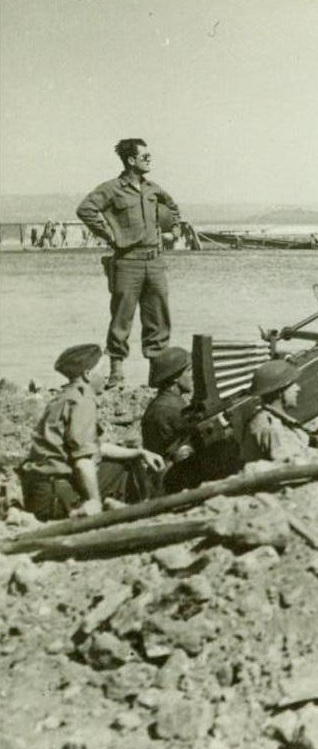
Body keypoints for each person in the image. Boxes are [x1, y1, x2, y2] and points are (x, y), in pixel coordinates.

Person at [76, 138, 180, 389]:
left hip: (154, 261)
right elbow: (86, 209)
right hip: (126, 262)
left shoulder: (154, 189)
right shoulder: (112, 189)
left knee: (158, 318)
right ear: (131, 160)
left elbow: (174, 211)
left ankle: (159, 374)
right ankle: (117, 374)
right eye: (145, 156)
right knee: (121, 317)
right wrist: (109, 234)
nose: (149, 160)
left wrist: (172, 232)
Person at [18, 344, 165, 521]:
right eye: (103, 372)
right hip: (55, 496)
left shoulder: (64, 397)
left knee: (125, 460)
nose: (106, 377)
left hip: (39, 491)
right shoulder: (82, 402)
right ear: (88, 375)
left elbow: (94, 446)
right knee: (126, 470)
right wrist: (93, 500)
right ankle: (135, 512)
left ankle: (117, 505)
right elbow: (82, 460)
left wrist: (139, 452)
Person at [141, 346, 206, 493]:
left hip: (158, 473)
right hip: (170, 478)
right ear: (175, 377)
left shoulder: (161, 402)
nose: (192, 376)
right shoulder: (174, 408)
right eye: (188, 371)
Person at [239, 360, 314, 464]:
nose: (298, 388)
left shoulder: (272, 418)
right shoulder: (271, 426)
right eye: (292, 384)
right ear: (279, 392)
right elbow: (292, 467)